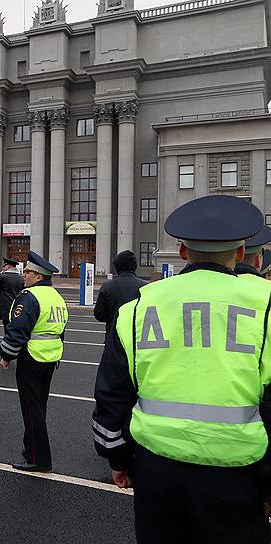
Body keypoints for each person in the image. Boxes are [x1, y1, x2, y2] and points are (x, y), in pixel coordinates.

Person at [93, 194, 271, 543]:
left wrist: (117, 459)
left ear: (182, 252)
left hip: (156, 469)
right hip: (237, 473)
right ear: (240, 254)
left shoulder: (140, 304)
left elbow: (112, 393)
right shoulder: (265, 304)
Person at [0, 251, 67, 472]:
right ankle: (31, 449)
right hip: (51, 356)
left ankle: (39, 458)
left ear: (38, 276)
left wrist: (6, 355)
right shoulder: (56, 296)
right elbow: (61, 330)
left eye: (28, 271)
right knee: (39, 405)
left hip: (32, 357)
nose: (24, 274)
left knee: (31, 409)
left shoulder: (29, 297)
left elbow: (17, 329)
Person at [94, 250, 147, 331]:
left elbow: (99, 315)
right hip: (137, 335)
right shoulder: (146, 287)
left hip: (114, 336)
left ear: (117, 266)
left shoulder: (107, 287)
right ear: (134, 266)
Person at [0, 257, 24, 328]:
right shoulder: (21, 278)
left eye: (4, 265)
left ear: (8, 266)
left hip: (6, 308)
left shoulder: (3, 276)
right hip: (18, 308)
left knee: (7, 329)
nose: (3, 267)